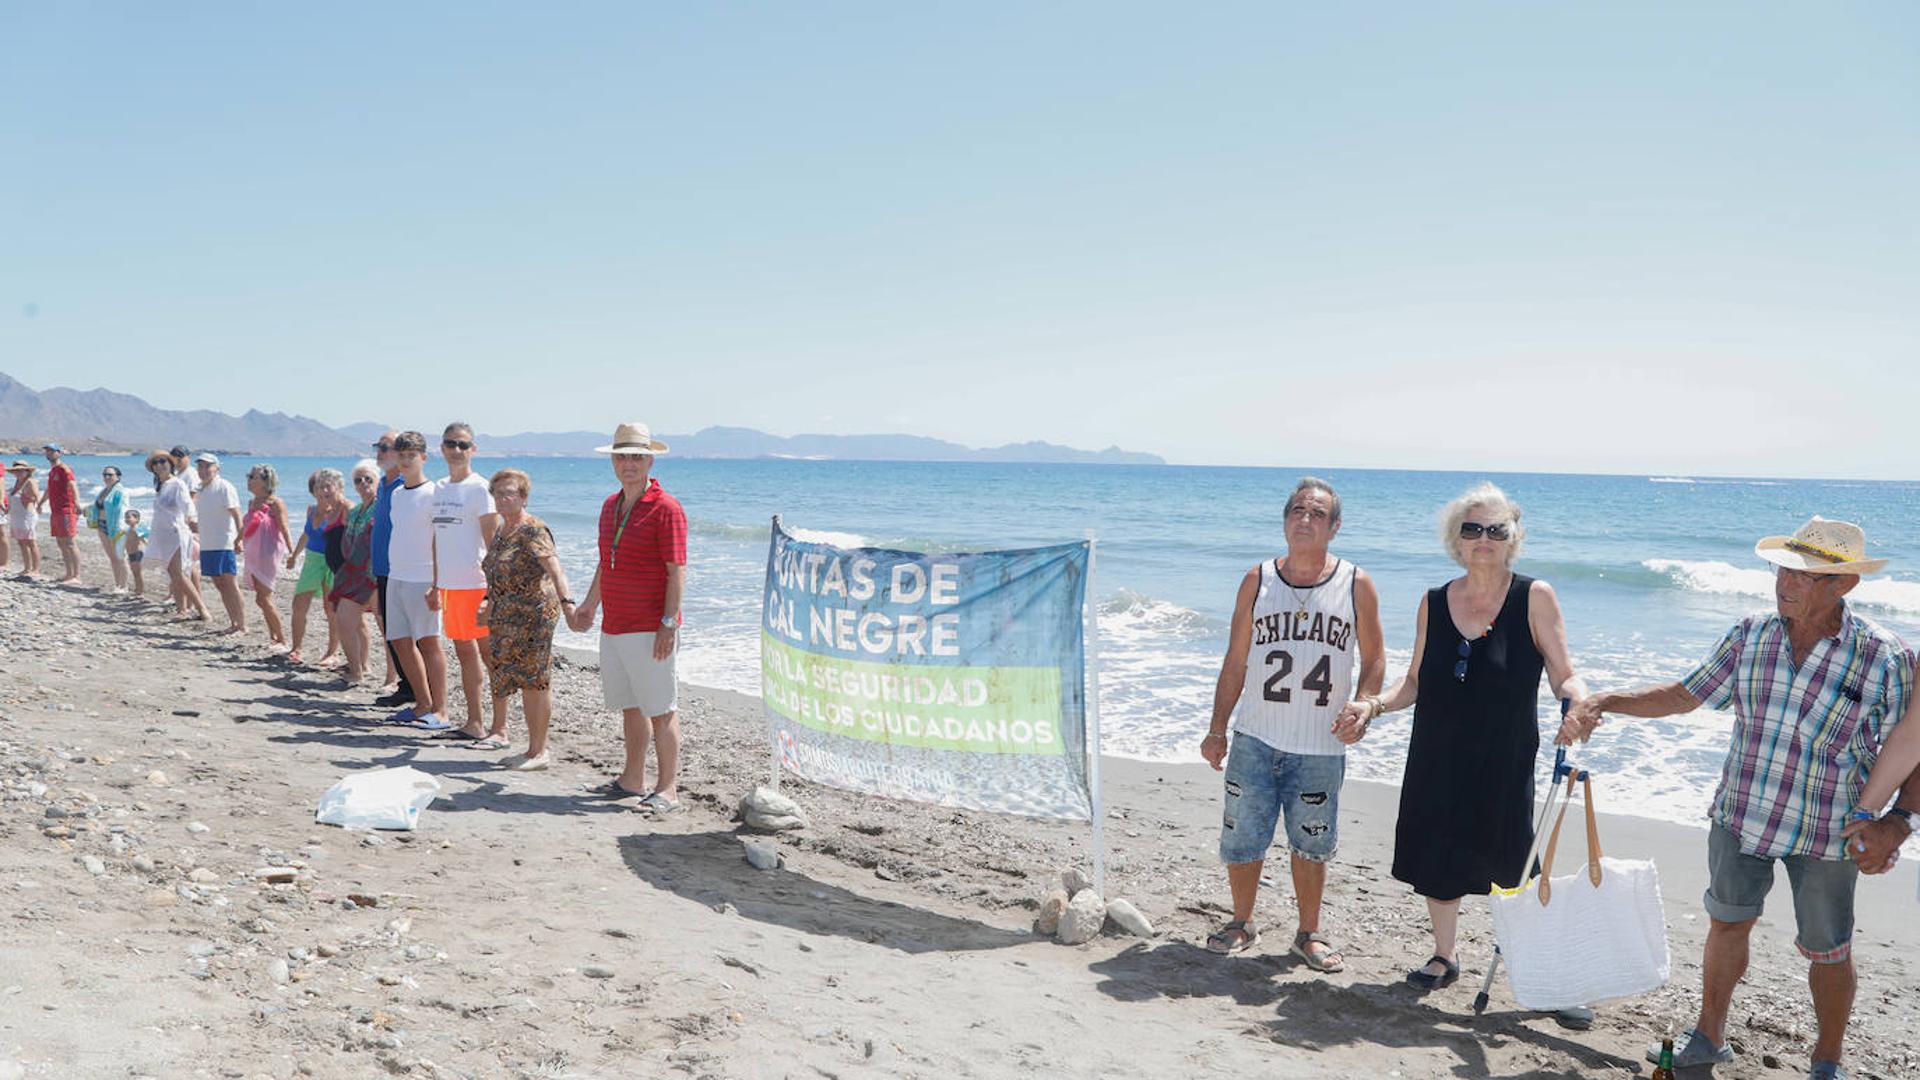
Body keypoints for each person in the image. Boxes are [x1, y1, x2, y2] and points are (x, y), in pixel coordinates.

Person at [1562, 517, 1910, 1080]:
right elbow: (1683, 695)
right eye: (1783, 569)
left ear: (1843, 585)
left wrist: (1899, 821)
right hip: (1741, 813)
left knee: (1827, 949)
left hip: (1827, 830)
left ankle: (1826, 1062)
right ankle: (1708, 1036)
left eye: (1806, 575)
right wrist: (1606, 700)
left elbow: (1911, 749)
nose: (1785, 583)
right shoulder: (1751, 634)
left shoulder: (1884, 657)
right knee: (1727, 922)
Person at [1338, 483, 1590, 1001]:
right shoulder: (1434, 601)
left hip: (1505, 755)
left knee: (1514, 861)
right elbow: (1413, 682)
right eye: (1472, 529)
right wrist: (1372, 705)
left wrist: (1580, 702)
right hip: (1438, 751)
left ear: (1511, 538)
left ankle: (1542, 971)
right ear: (1457, 538)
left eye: (1495, 530)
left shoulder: (1534, 596)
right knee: (1439, 853)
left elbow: (1565, 673)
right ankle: (1445, 954)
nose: (1483, 539)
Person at [1199, 477, 1383, 972]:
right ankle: (1241, 921)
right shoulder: (1257, 579)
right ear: (1285, 520)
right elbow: (1235, 660)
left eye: (1317, 513)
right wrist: (1217, 728)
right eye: (1297, 510)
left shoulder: (1356, 583)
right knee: (1242, 836)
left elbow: (1375, 658)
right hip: (1255, 735)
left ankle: (1309, 933)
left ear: (1335, 526)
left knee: (1313, 842)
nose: (1305, 519)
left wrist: (1365, 704)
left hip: (1320, 745)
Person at [567, 422, 687, 810]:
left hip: (650, 626)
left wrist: (668, 624)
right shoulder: (609, 506)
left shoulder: (666, 508)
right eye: (622, 456)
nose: (629, 463)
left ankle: (667, 788)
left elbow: (676, 571)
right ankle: (631, 780)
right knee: (630, 706)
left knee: (661, 709)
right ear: (613, 462)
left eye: (636, 456)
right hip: (615, 624)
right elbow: (608, 562)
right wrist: (589, 605)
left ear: (650, 460)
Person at [481, 468, 574, 771]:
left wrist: (569, 604)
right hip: (505, 616)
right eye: (498, 493)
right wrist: (487, 602)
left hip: (534, 615)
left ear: (523, 497)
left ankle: (539, 752)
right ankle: (531, 749)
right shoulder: (502, 529)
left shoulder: (533, 529)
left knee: (535, 680)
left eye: (510, 493)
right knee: (520, 679)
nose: (503, 498)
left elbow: (555, 569)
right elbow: (496, 572)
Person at [430, 423, 504, 746]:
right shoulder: (440, 488)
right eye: (451, 444)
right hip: (450, 586)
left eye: (463, 444)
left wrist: (493, 591)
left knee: (490, 656)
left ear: (473, 449)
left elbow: (493, 543)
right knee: (463, 653)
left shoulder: (480, 489)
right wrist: (435, 584)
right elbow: (437, 540)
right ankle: (475, 721)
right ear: (442, 448)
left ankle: (499, 728)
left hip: (477, 584)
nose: (456, 450)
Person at [383, 431, 450, 729]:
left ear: (423, 457)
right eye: (402, 455)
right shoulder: (397, 493)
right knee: (399, 641)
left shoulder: (434, 493)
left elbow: (440, 539)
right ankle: (422, 703)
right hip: (396, 574)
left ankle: (441, 710)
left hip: (423, 577)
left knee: (429, 642)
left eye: (412, 455)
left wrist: (438, 583)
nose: (407, 460)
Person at [327, 460, 382, 686]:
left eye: (368, 478)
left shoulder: (382, 507)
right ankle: (356, 671)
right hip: (353, 573)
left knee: (385, 626)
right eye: (358, 480)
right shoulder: (355, 511)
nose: (363, 483)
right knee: (344, 620)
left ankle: (392, 677)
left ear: (378, 480)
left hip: (375, 574)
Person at [368, 430, 413, 703]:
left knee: (405, 633)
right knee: (392, 630)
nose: (380, 451)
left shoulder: (403, 485)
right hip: (383, 568)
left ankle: (414, 689)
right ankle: (405, 685)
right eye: (379, 446)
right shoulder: (384, 485)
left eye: (385, 447)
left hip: (401, 569)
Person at [288, 468, 346, 664]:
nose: (321, 490)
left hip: (330, 562)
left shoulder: (338, 511)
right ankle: (296, 648)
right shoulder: (311, 510)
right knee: (298, 605)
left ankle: (332, 652)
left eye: (324, 486)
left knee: (330, 609)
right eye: (317, 487)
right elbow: (305, 535)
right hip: (312, 561)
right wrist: (294, 555)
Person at [144, 452, 209, 621]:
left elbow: (189, 509)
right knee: (173, 574)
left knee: (180, 573)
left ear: (171, 464)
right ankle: (182, 610)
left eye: (162, 461)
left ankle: (202, 609)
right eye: (155, 463)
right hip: (162, 535)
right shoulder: (161, 486)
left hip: (175, 534)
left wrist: (196, 532)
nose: (159, 465)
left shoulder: (177, 484)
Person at [241, 464, 295, 648]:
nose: (248, 479)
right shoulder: (251, 503)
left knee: (264, 597)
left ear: (265, 482)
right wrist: (236, 541)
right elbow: (246, 525)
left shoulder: (275, 503)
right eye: (249, 475)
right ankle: (274, 636)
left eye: (253, 477)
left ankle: (282, 639)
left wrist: (292, 553)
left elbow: (285, 529)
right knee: (260, 598)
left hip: (268, 553)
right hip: (252, 553)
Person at [37, 443, 81, 583]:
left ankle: (76, 576)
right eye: (47, 451)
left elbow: (73, 485)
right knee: (61, 542)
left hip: (66, 510)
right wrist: (40, 503)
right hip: (55, 510)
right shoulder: (53, 471)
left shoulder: (64, 469)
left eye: (52, 451)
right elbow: (49, 490)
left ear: (59, 453)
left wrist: (78, 503)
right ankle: (68, 574)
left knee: (70, 543)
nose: (48, 453)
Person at [89, 464, 130, 591]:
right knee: (112, 557)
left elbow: (122, 510)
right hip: (102, 525)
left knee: (120, 557)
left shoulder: (120, 491)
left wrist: (121, 528)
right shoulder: (104, 491)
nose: (107, 477)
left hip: (116, 527)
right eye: (105, 475)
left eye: (110, 475)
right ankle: (117, 584)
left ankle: (124, 586)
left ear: (118, 477)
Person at [6, 460, 39, 579]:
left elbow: (36, 497)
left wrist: (29, 499)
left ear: (27, 471)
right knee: (21, 542)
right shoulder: (16, 483)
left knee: (31, 542)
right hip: (16, 516)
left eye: (20, 470)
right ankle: (27, 567)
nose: (18, 473)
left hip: (27, 515)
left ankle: (35, 569)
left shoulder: (30, 482)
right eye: (16, 471)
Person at [123, 508, 149, 596]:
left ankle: (140, 590)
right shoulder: (128, 529)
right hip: (130, 554)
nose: (126, 519)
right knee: (134, 572)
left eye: (128, 517)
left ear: (137, 519)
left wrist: (149, 549)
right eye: (125, 518)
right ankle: (137, 588)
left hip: (138, 553)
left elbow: (145, 540)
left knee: (137, 572)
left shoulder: (138, 530)